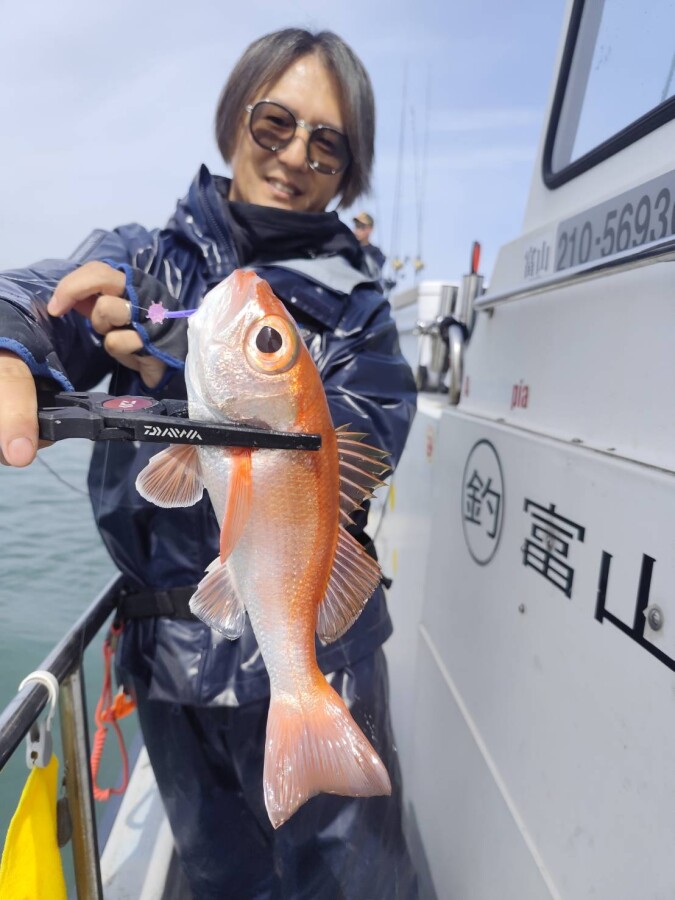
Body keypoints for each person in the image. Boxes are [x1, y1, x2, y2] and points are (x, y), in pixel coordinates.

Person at [0, 28, 418, 900]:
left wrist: (183, 364)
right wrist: (12, 342)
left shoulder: (359, 307)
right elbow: (39, 297)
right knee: (220, 882)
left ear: (348, 171)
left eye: (327, 144)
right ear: (235, 121)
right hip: (172, 666)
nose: (295, 155)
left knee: (356, 887)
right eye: (275, 123)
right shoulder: (143, 257)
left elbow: (366, 425)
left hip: (321, 651)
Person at [352, 210, 386, 282]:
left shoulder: (376, 253)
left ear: (370, 229)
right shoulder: (348, 248)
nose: (358, 229)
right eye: (356, 225)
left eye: (362, 226)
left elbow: (372, 273)